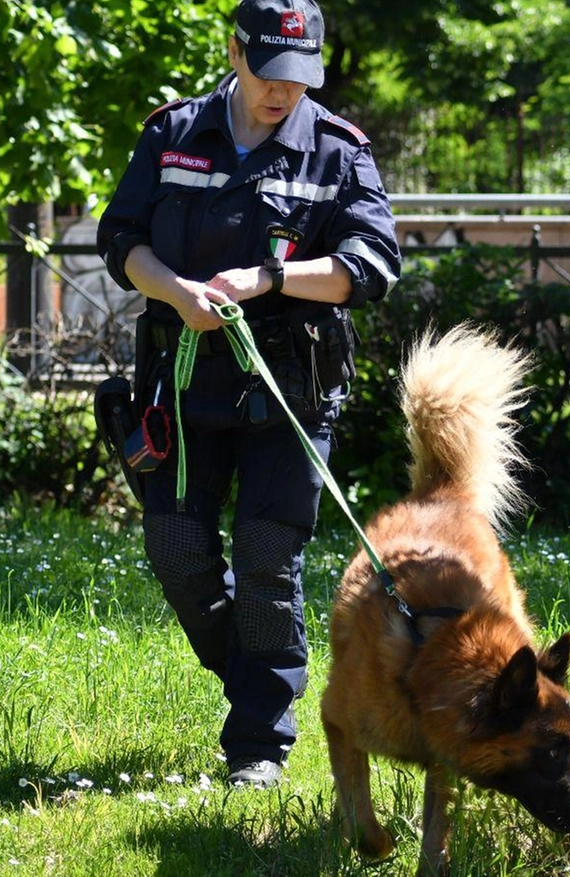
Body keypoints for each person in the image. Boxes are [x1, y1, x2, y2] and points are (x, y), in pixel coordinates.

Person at [96, 0, 400, 789]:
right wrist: (174, 293)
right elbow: (120, 239)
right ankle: (253, 670)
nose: (282, 94)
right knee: (177, 552)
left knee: (268, 559)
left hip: (289, 393)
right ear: (234, 51)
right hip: (182, 383)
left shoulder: (337, 150)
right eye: (268, 74)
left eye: (299, 81)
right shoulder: (172, 133)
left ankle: (258, 742)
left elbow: (372, 265)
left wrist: (269, 277)